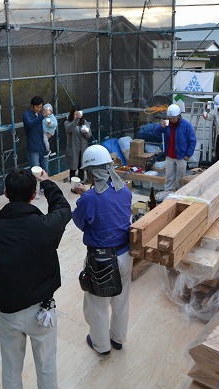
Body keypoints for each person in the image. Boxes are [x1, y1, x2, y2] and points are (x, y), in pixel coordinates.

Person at [0, 168, 71, 389]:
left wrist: (10, 276)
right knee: (46, 365)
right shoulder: (46, 226)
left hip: (8, 310)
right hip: (42, 310)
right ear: (33, 195)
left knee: (10, 367)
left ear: (5, 192)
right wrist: (47, 183)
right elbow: (64, 208)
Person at [72, 145, 133, 356]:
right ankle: (117, 339)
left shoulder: (89, 199)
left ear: (91, 172)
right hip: (125, 255)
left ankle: (101, 345)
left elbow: (80, 222)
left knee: (97, 306)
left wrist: (83, 197)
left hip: (101, 260)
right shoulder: (125, 190)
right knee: (121, 300)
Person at [155, 104, 197, 192]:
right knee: (169, 176)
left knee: (180, 177)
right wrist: (160, 127)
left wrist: (188, 154)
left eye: (174, 118)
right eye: (170, 118)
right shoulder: (166, 124)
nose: (172, 120)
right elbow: (155, 133)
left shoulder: (186, 125)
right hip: (170, 155)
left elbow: (192, 140)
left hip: (181, 156)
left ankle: (179, 191)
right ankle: (168, 191)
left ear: (179, 116)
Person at [65, 105, 93, 185]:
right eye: (75, 114)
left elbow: (89, 135)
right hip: (73, 149)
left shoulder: (84, 122)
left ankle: (81, 183)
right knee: (73, 168)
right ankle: (73, 184)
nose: (77, 116)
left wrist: (86, 132)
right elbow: (70, 128)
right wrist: (77, 119)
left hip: (83, 149)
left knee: (81, 167)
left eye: (78, 114)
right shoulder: (67, 122)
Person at [23, 96, 49, 173]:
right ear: (32, 105)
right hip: (33, 148)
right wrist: (42, 116)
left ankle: (45, 185)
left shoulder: (40, 114)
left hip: (43, 147)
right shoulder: (26, 115)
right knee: (35, 172)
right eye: (37, 107)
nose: (39, 109)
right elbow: (30, 124)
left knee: (45, 171)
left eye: (40, 107)